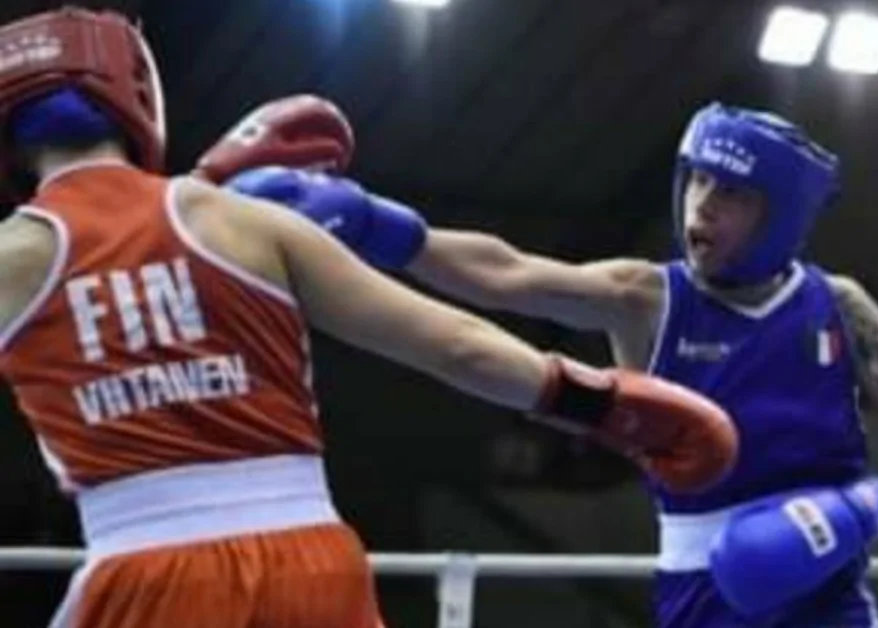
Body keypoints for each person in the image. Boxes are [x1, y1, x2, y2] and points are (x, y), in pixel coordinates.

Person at [0, 8, 738, 628]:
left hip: (143, 578)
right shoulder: (240, 222)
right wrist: (599, 403)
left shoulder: (11, 258)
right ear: (135, 92)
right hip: (310, 566)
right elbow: (452, 344)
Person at [221, 95, 878, 626]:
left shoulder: (841, 307)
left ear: (782, 214)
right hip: (703, 597)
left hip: (831, 594)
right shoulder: (647, 298)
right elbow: (508, 273)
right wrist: (377, 225)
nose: (700, 208)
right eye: (697, 180)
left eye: (730, 193)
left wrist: (864, 508)